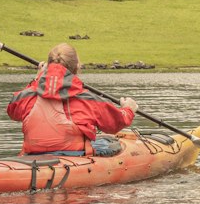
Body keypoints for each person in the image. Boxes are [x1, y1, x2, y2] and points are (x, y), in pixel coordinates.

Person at [7, 42, 137, 156]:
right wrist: (128, 109)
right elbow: (115, 123)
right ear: (77, 67)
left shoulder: (30, 95)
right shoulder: (86, 98)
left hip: (33, 154)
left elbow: (12, 110)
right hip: (74, 155)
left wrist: (37, 79)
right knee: (110, 142)